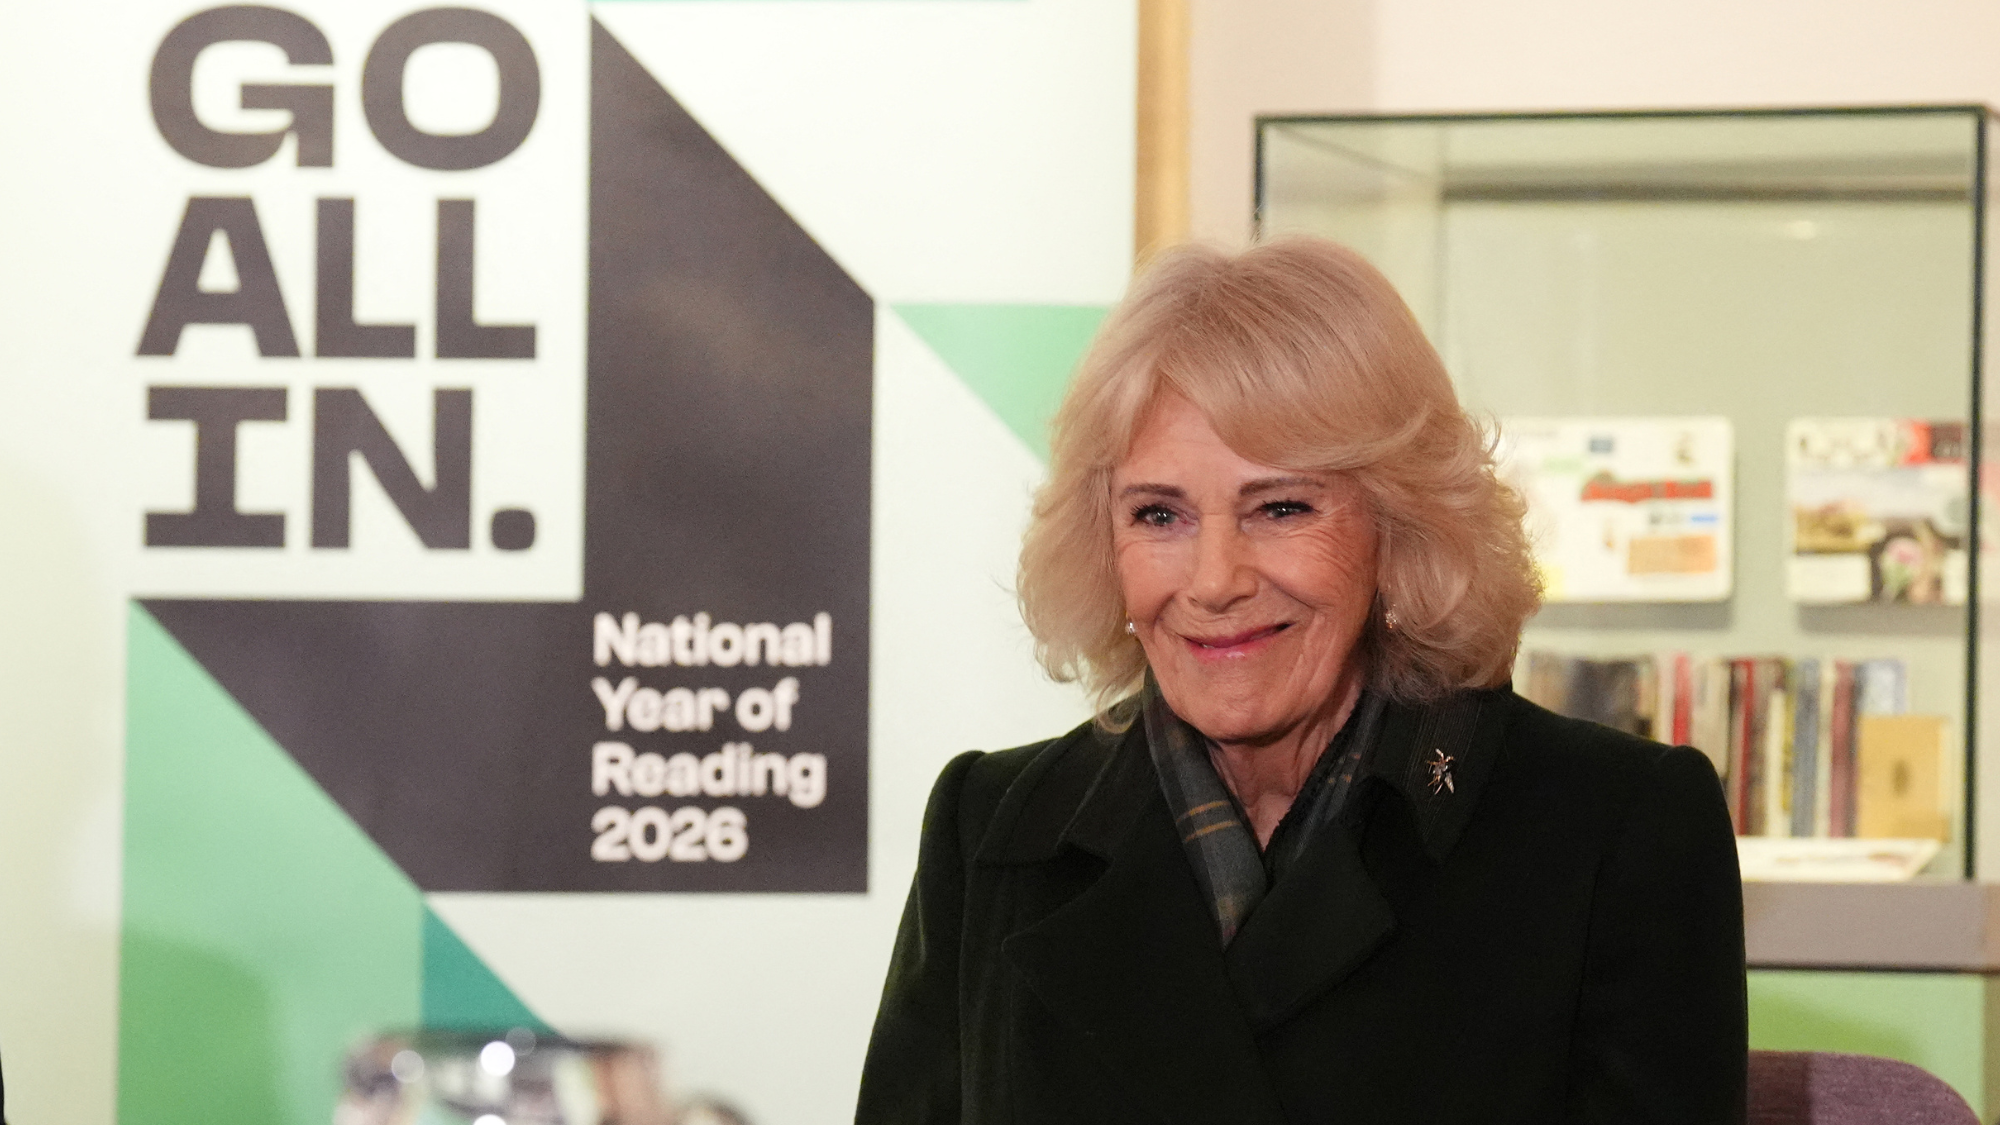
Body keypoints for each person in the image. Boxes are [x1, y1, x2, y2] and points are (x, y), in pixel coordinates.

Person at [855, 238, 1746, 1124]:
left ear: (1399, 526)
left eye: (1280, 507)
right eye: (1158, 514)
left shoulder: (1614, 828)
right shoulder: (993, 829)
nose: (1213, 580)